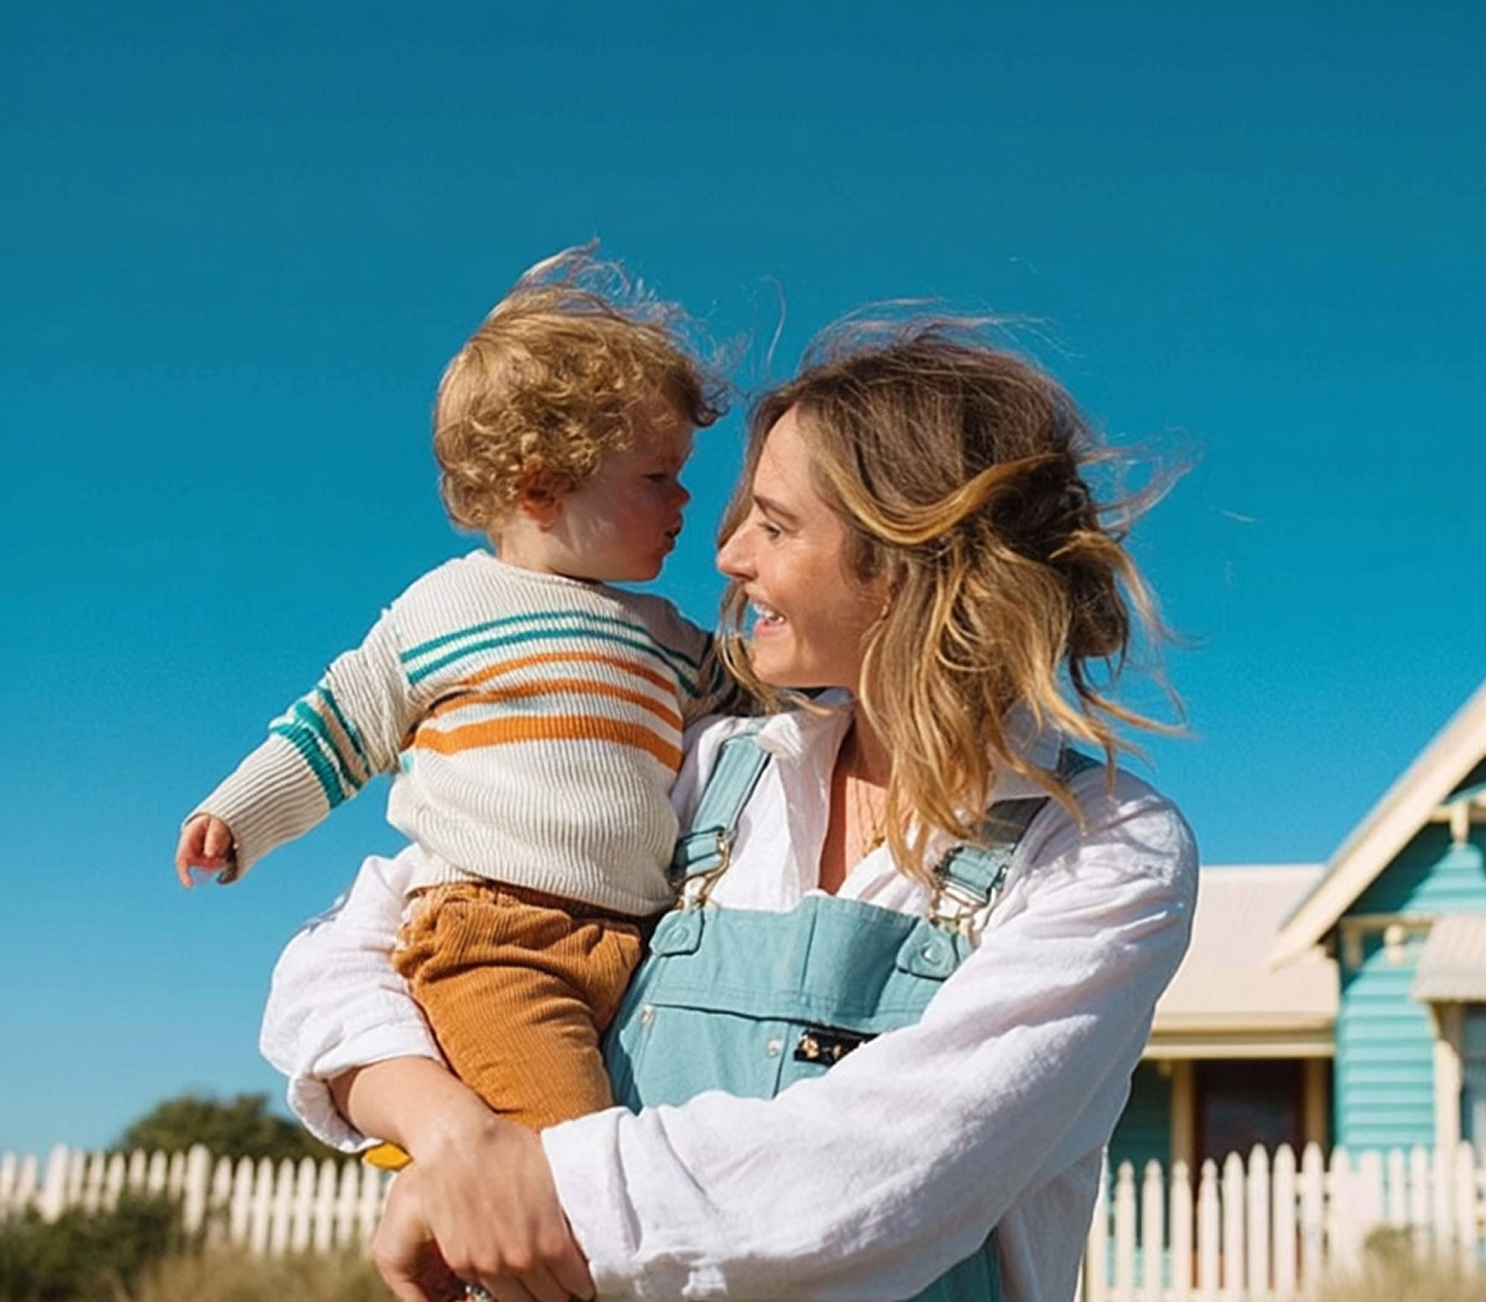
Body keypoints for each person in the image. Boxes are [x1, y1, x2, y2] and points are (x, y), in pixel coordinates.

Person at [261, 320, 1200, 1302]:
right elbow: (342, 952)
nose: (728, 555)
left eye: (776, 524)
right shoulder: (704, 770)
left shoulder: (1105, 848)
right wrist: (456, 1142)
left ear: (911, 560)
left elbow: (888, 1168)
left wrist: (535, 1186)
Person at [179, 247, 734, 1130]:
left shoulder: (669, 636)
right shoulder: (449, 606)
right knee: (566, 1161)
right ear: (542, 487)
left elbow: (767, 712)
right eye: (656, 477)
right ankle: (495, 1268)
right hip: (498, 943)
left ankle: (458, 1247)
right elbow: (339, 723)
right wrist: (238, 814)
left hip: (641, 944)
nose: (685, 500)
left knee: (620, 1156)